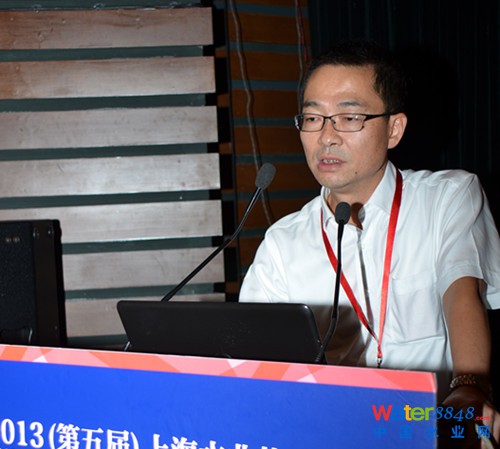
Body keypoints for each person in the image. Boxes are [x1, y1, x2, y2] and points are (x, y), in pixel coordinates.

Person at [239, 40, 500, 447]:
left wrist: (469, 385)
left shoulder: (448, 197)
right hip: (334, 432)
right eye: (313, 118)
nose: (326, 137)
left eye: (349, 117)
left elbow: (462, 292)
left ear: (394, 128)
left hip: (435, 422)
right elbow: (255, 360)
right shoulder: (282, 244)